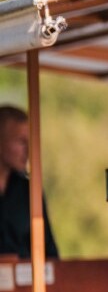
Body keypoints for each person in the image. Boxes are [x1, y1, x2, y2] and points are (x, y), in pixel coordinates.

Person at [0, 105, 58, 259]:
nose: (28, 151)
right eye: (21, 142)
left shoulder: (30, 190)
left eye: (30, 142)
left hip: (28, 280)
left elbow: (50, 252)